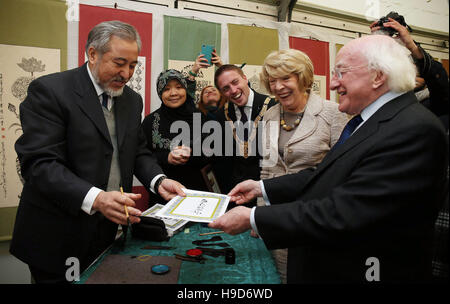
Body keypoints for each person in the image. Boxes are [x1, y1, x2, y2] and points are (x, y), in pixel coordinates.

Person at [209, 34, 449, 283]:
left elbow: (348, 210)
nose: (333, 84)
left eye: (341, 73)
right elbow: (325, 173)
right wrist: (261, 187)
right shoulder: (370, 120)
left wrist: (253, 218)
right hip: (304, 234)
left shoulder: (412, 129)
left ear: (378, 76)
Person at [10, 21, 185, 283]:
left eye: (133, 65)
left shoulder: (131, 100)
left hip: (109, 236)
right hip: (58, 239)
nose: (126, 73)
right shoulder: (50, 91)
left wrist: (158, 180)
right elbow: (39, 164)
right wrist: (96, 199)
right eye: (119, 63)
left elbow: (136, 150)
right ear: (93, 54)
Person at [257, 48, 348, 283]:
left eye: (285, 78)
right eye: (272, 81)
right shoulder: (269, 116)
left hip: (316, 219)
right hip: (277, 218)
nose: (278, 87)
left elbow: (342, 170)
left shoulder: (332, 113)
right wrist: (259, 217)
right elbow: (267, 170)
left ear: (303, 78)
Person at [371, 14, 449, 282]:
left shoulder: (435, 104)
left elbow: (441, 84)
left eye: (414, 64)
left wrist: (411, 46)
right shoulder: (384, 103)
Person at [141, 69, 209, 204]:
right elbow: (142, 156)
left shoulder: (199, 118)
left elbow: (211, 154)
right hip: (164, 195)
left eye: (179, 87)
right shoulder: (150, 121)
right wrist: (167, 158)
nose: (173, 93)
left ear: (185, 89)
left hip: (197, 194)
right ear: (160, 93)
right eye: (166, 89)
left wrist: (192, 152)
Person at [213, 64, 277, 199]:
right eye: (226, 88)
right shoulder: (220, 116)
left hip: (267, 192)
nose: (233, 90)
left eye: (235, 82)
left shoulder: (273, 107)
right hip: (235, 196)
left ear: (245, 78)